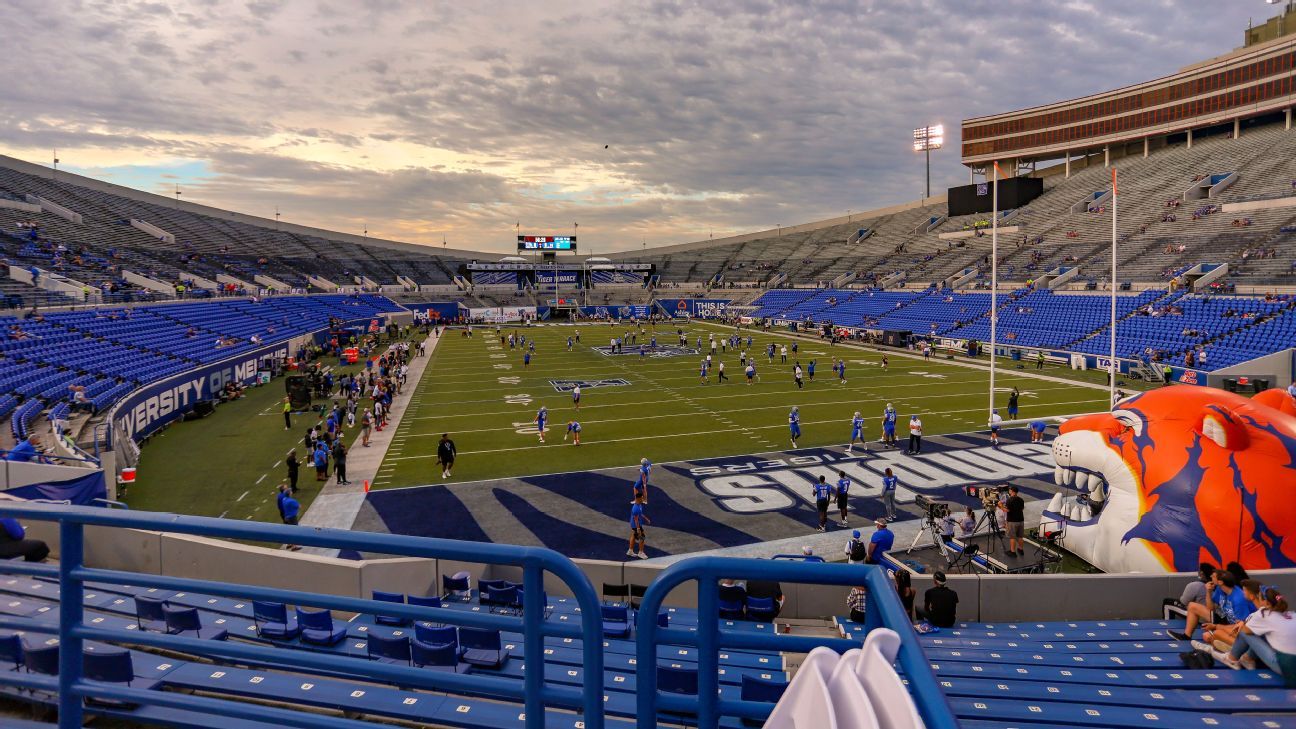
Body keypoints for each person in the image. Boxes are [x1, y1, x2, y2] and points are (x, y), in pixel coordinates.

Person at [1225, 582, 1295, 674]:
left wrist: (1242, 625)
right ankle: (1247, 658)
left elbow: (1245, 632)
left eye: (1260, 598)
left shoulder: (1263, 613)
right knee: (1260, 632)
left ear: (1266, 603)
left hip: (1286, 667)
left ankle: (1231, 659)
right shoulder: (1292, 614)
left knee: (1244, 632)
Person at [1169, 569, 1255, 641]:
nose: (1210, 577)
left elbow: (1242, 626)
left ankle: (1233, 646)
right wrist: (1208, 592)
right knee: (1192, 606)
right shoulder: (1220, 589)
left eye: (1213, 576)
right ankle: (1186, 636)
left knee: (1207, 636)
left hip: (1238, 627)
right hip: (1225, 620)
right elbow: (1210, 608)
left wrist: (1217, 627)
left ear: (1220, 582)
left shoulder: (1238, 599)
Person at [999, 485, 1025, 556]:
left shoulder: (1009, 500)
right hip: (1021, 520)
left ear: (1012, 491)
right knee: (1020, 536)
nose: (1009, 491)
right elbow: (1022, 509)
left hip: (1012, 521)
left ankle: (1013, 552)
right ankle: (1020, 549)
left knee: (1012, 537)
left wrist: (1000, 506)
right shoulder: (1021, 499)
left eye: (1010, 490)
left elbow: (1006, 510)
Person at [627, 493, 650, 560]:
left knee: (634, 536)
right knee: (642, 537)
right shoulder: (635, 508)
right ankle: (640, 553)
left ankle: (630, 551)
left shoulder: (639, 505)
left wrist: (646, 518)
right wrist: (638, 529)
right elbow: (636, 519)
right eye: (642, 498)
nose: (643, 499)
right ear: (638, 498)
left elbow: (640, 513)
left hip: (634, 524)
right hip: (636, 525)